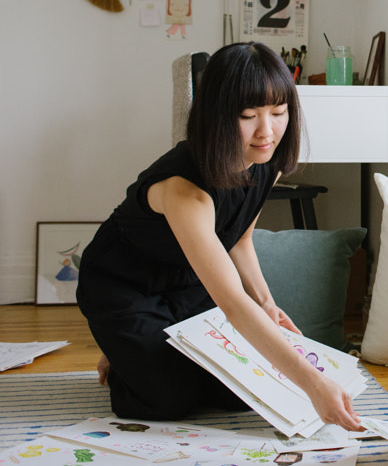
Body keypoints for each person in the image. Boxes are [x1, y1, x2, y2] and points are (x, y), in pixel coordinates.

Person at [77, 42, 361, 430]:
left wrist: (268, 305)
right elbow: (232, 303)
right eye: (249, 116)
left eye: (279, 113)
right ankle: (123, 350)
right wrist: (313, 384)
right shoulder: (184, 189)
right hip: (125, 285)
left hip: (189, 279)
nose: (268, 131)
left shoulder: (267, 162)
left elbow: (240, 239)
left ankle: (138, 350)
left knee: (237, 389)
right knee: (167, 400)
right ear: (217, 116)